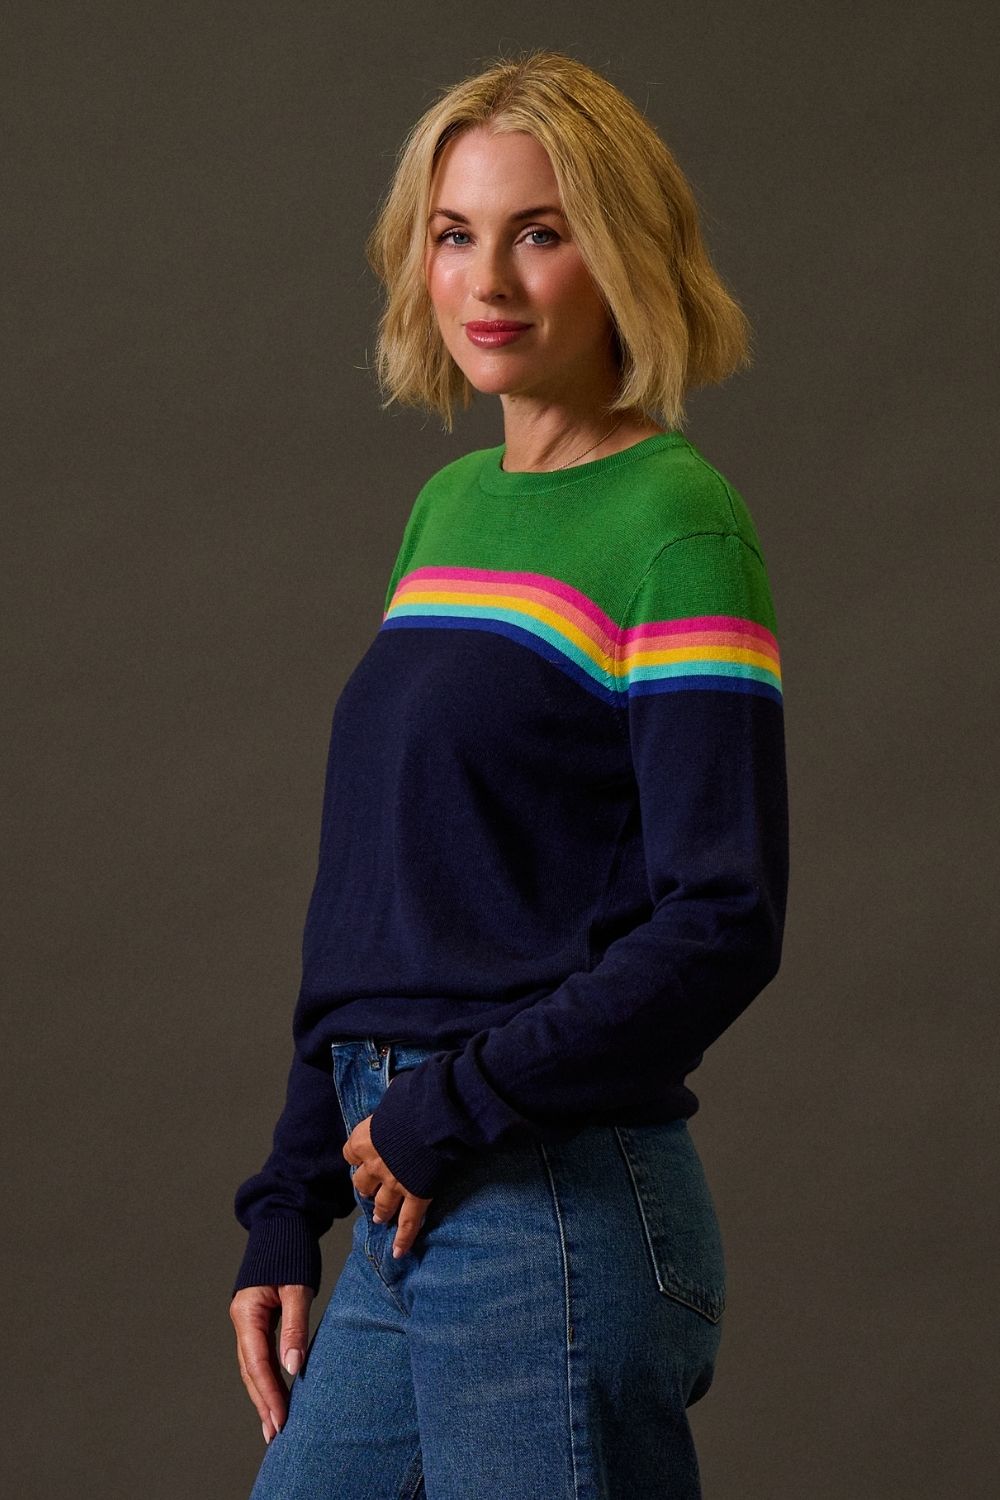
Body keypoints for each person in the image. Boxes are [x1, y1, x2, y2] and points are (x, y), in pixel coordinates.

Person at [229, 45, 789, 1500]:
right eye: (454, 231)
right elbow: (384, 897)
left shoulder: (679, 523)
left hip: (544, 1200)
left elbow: (722, 917)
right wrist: (289, 1202)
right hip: (402, 1183)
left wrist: (443, 1112)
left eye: (540, 232)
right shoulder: (449, 510)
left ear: (621, 254)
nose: (488, 278)